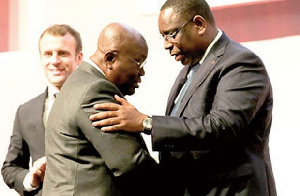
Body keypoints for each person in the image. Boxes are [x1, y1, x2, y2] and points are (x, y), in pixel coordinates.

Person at [89, 0, 277, 195]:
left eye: (171, 34)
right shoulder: (191, 68)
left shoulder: (240, 63)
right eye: (162, 36)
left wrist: (146, 123)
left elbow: (223, 127)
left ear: (199, 24)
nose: (166, 45)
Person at [42, 22, 159, 196]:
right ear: (110, 58)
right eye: (139, 62)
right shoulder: (94, 90)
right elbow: (130, 163)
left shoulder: (79, 81)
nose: (142, 72)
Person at [1, 24, 83, 196]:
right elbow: (10, 168)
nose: (54, 61)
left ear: (79, 58)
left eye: (62, 53)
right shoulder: (25, 112)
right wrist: (30, 178)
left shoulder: (97, 102)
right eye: (48, 54)